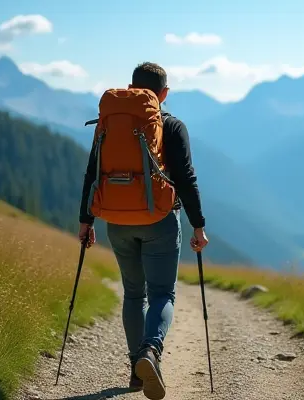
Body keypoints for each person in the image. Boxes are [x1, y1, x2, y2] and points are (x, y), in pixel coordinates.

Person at [77, 61, 209, 399]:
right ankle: (151, 351)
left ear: (133, 88)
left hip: (116, 220)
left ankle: (136, 369)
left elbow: (93, 170)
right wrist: (199, 226)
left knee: (134, 294)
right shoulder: (173, 126)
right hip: (159, 220)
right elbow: (186, 178)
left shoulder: (110, 124)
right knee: (162, 293)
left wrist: (86, 220)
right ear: (163, 94)